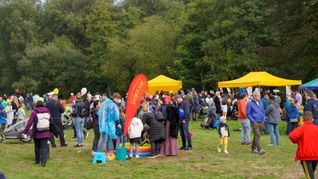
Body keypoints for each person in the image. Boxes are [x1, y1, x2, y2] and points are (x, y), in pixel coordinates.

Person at [289, 111, 318, 179]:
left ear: (302, 119)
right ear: (312, 119)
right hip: (316, 155)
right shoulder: (316, 128)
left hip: (305, 155)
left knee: (310, 176)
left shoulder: (301, 128)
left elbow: (291, 136)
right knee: (311, 174)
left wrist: (298, 141)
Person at [23, 98, 51, 167]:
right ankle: (43, 162)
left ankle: (37, 160)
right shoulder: (47, 111)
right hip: (46, 132)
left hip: (37, 132)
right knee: (44, 147)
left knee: (37, 147)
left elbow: (29, 122)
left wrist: (25, 131)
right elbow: (51, 121)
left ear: (36, 105)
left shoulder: (34, 112)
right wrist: (51, 131)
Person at [246, 90, 266, 155]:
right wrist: (253, 121)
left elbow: (263, 111)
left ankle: (253, 148)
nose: (260, 96)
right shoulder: (250, 103)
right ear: (254, 96)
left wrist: (264, 118)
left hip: (261, 121)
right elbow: (248, 113)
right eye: (258, 95)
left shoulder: (261, 102)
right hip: (255, 121)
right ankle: (259, 149)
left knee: (256, 135)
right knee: (257, 135)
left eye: (260, 95)